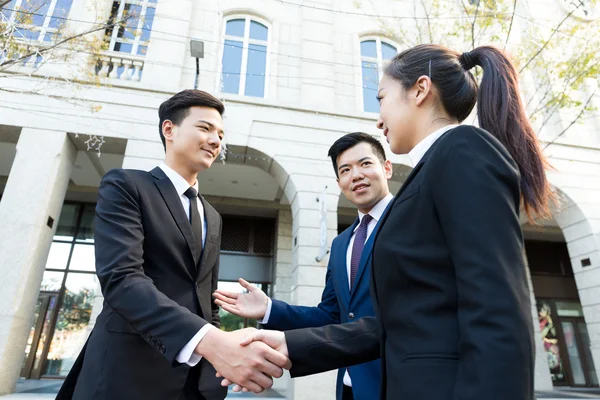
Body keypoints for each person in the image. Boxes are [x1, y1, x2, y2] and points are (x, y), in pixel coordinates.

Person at [222, 44, 555, 400]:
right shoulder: (431, 173)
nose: (378, 119)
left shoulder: (462, 150)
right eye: (345, 171)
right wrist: (288, 342)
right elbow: (399, 323)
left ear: (420, 90)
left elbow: (497, 311)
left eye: (381, 98)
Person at [56, 90, 290, 400]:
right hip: (126, 373)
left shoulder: (212, 216)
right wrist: (212, 343)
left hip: (196, 385)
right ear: (170, 129)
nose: (216, 141)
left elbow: (205, 298)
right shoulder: (126, 186)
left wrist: (220, 358)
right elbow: (122, 279)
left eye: (220, 134)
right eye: (205, 128)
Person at [213, 132, 393, 400]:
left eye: (365, 164)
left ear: (386, 168)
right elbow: (332, 316)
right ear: (339, 182)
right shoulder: (342, 243)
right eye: (345, 170)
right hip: (349, 388)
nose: (355, 175)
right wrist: (270, 309)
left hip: (399, 384)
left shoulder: (411, 221)